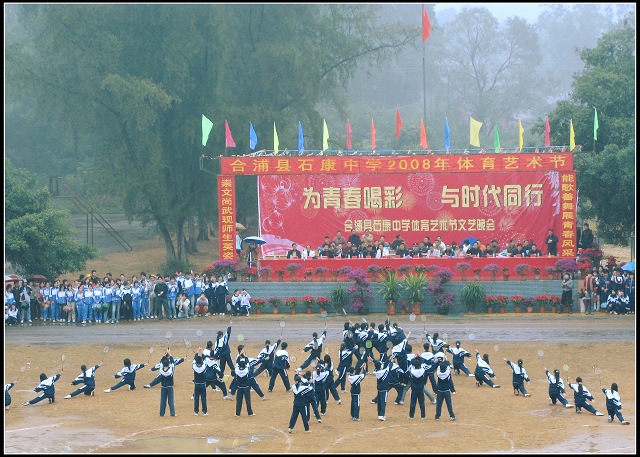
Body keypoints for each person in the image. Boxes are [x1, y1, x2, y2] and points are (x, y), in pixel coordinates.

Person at [158, 351, 177, 417]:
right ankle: (172, 413)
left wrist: (165, 355)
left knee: (163, 401)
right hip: (169, 387)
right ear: (168, 364)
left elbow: (161, 362)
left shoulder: (161, 370)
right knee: (170, 401)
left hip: (163, 387)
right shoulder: (171, 370)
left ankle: (161, 413)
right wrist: (170, 355)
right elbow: (173, 363)